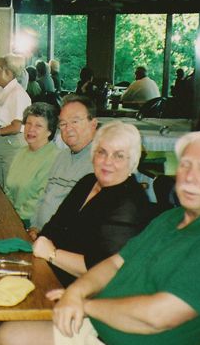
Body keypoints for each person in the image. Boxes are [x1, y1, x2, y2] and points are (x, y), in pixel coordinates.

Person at [0, 130, 200, 345]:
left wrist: (85, 306)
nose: (190, 177)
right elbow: (116, 262)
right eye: (186, 165)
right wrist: (76, 293)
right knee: (9, 339)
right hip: (98, 338)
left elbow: (157, 316)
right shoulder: (173, 218)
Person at [32, 121, 151, 287]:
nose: (107, 162)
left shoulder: (130, 204)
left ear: (132, 161)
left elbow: (103, 269)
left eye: (119, 155)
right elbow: (54, 225)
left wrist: (52, 254)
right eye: (102, 152)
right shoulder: (87, 182)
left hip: (84, 292)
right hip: (50, 272)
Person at [27, 94, 98, 239]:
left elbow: (86, 221)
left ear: (93, 124)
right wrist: (34, 226)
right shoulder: (61, 157)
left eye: (75, 121)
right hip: (39, 235)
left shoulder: (101, 163)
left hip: (63, 244)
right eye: (63, 124)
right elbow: (44, 197)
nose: (68, 128)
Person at [0, 54, 32, 189]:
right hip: (0, 146)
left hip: (12, 147)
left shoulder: (18, 94)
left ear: (8, 73)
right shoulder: (1, 91)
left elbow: (16, 126)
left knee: (10, 189)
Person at [4, 103, 60, 227]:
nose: (31, 129)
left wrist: (15, 219)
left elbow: (40, 200)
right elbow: (8, 188)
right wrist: (7, 213)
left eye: (38, 125)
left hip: (33, 223)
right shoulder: (21, 152)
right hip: (13, 217)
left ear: (49, 131)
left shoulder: (54, 158)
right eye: (28, 123)